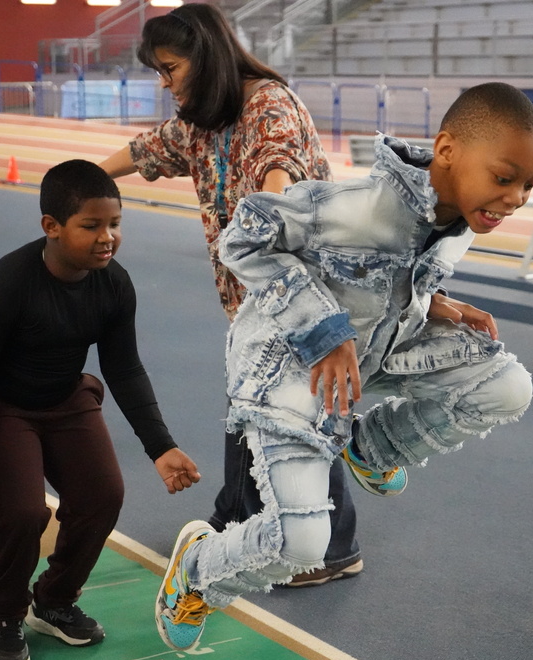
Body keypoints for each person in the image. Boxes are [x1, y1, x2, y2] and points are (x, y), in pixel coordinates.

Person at [153, 82, 533, 652]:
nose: (515, 198)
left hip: (373, 353)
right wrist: (326, 330)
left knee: (506, 386)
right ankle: (199, 570)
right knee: (304, 545)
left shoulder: (458, 213)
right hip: (287, 367)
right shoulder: (359, 208)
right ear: (447, 151)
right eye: (505, 178)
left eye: (529, 185)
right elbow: (245, 236)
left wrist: (434, 304)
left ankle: (371, 449)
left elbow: (377, 278)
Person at [99, 1, 363, 588]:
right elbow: (151, 148)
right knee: (258, 410)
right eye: (157, 73)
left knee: (294, 418)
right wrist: (85, 176)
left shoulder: (269, 105)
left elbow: (280, 173)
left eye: (170, 68)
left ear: (207, 57)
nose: (165, 83)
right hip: (253, 301)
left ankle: (330, 549)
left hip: (302, 295)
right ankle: (240, 516)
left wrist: (269, 213)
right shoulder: (202, 118)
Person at [0, 159, 202, 660]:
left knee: (103, 495)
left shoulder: (112, 284)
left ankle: (55, 600)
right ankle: (4, 614)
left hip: (65, 399)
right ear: (52, 227)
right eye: (92, 226)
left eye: (114, 224)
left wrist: (161, 446)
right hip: (2, 405)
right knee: (20, 513)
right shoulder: (10, 282)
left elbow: (124, 368)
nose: (108, 237)